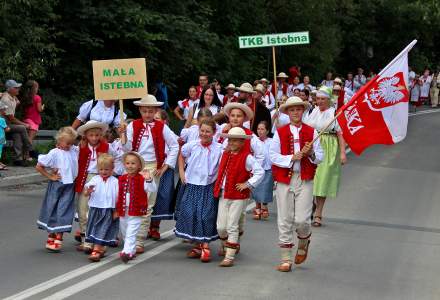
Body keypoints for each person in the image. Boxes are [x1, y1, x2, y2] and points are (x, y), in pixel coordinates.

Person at [269, 96, 323, 272]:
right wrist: (291, 158)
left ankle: (304, 239)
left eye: (298, 109)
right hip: (285, 178)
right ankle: (286, 259)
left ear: (303, 111)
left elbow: (320, 157)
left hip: (305, 178)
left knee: (302, 220)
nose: (295, 113)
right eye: (292, 110)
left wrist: (312, 153)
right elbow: (272, 155)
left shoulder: (312, 132)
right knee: (284, 218)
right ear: (287, 112)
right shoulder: (280, 132)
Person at [119, 94, 179, 254]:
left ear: (155, 111)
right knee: (128, 201)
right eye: (145, 111)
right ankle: (128, 237)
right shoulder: (133, 126)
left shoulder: (161, 127)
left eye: (151, 111)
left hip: (151, 167)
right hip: (133, 166)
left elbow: (174, 145)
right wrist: (123, 135)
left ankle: (139, 239)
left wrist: (166, 166)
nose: (147, 114)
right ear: (140, 110)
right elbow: (127, 149)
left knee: (146, 204)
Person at [214, 127, 264, 267]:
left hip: (238, 196)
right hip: (224, 193)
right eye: (230, 140)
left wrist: (247, 184)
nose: (232, 143)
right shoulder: (224, 154)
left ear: (242, 142)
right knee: (221, 227)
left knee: (231, 225)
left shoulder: (247, 157)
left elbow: (259, 172)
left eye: (236, 140)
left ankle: (229, 256)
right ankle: (227, 244)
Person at [175, 119, 223, 262]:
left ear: (214, 133)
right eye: (202, 131)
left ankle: (206, 245)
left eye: (208, 131)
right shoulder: (192, 145)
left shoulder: (219, 148)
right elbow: (181, 155)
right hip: (192, 185)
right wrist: (182, 172)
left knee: (205, 216)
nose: (204, 134)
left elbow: (221, 167)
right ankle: (197, 244)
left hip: (208, 186)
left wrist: (219, 183)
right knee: (191, 213)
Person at [75, 120, 121, 253]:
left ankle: (101, 238)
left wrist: (114, 171)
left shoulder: (107, 147)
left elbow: (118, 157)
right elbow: (72, 157)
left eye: (96, 135)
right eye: (91, 135)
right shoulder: (81, 147)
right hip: (86, 178)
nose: (94, 138)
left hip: (103, 177)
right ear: (86, 135)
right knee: (83, 209)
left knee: (101, 209)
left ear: (101, 135)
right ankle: (86, 239)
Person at [304, 87, 347, 227]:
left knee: (322, 181)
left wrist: (342, 153)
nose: (320, 101)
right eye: (318, 99)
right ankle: (310, 205)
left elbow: (340, 134)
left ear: (329, 100)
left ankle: (318, 214)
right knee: (309, 179)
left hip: (328, 147)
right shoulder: (312, 111)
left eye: (323, 99)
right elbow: (305, 129)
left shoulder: (334, 113)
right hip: (312, 145)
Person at [35, 127, 79, 252]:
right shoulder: (54, 152)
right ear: (59, 141)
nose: (69, 145)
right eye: (67, 143)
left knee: (64, 210)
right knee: (53, 208)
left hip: (69, 185)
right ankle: (52, 234)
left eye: (71, 143)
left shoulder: (74, 151)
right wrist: (51, 176)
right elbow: (39, 166)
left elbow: (83, 144)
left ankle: (59, 236)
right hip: (57, 185)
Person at [115, 151, 157, 263]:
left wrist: (149, 179)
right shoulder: (121, 179)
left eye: (133, 163)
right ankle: (132, 250)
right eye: (128, 163)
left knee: (131, 232)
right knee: (124, 231)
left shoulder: (142, 179)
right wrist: (115, 209)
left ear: (139, 166)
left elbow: (152, 189)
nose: (130, 166)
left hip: (137, 210)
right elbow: (116, 194)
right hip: (123, 210)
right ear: (124, 164)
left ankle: (126, 252)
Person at [148, 110, 178, 240]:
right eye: (154, 118)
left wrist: (165, 166)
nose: (155, 121)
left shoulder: (169, 134)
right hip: (152, 168)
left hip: (165, 170)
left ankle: (155, 227)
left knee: (162, 197)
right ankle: (145, 225)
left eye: (158, 118)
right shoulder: (149, 132)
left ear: (165, 121)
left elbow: (175, 147)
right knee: (148, 196)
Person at [83, 154, 119, 261]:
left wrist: (117, 210)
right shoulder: (95, 179)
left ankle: (97, 250)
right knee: (95, 228)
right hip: (96, 209)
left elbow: (118, 196)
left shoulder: (115, 181)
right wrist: (88, 192)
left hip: (108, 210)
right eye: (101, 169)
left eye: (106, 169)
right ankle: (99, 248)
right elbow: (86, 192)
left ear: (112, 169)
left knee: (104, 229)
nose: (103, 172)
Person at [0, 79, 33, 166]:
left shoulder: (12, 97)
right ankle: (31, 149)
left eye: (18, 87)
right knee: (22, 128)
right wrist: (24, 124)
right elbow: (12, 119)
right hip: (3, 124)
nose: (18, 89)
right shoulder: (6, 99)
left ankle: (18, 159)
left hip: (8, 124)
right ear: (10, 89)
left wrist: (16, 100)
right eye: (16, 88)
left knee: (17, 134)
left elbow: (16, 101)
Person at [251, 121, 273, 220]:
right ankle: (257, 206)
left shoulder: (271, 141)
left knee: (266, 188)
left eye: (262, 129)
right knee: (256, 188)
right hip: (256, 168)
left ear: (267, 131)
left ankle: (264, 206)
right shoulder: (254, 141)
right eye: (258, 129)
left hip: (268, 168)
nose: (260, 131)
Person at [0, 102, 11, 170]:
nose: (5, 111)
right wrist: (9, 128)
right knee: (0, 151)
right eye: (4, 109)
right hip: (1, 138)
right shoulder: (2, 120)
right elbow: (6, 129)